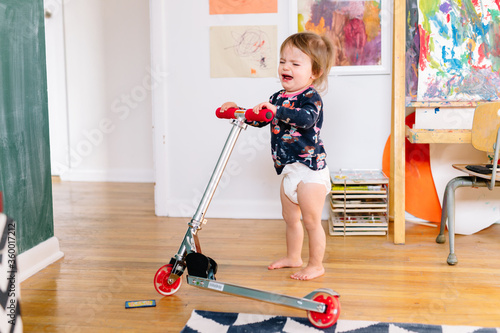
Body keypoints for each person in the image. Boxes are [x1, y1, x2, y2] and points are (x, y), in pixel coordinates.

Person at [219, 32, 334, 280]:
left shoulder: (310, 98)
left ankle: (316, 264)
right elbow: (260, 119)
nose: (286, 67)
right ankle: (294, 257)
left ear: (314, 72)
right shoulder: (277, 97)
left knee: (312, 221)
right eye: (283, 61)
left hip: (310, 171)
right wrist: (237, 110)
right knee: (290, 218)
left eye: (295, 63)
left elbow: (306, 119)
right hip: (290, 171)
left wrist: (277, 110)